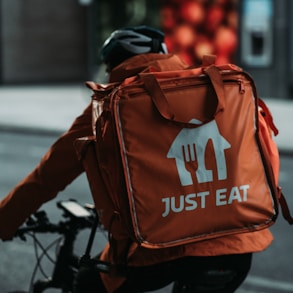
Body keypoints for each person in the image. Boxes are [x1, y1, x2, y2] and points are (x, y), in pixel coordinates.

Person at [0, 25, 276, 292]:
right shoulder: (216, 88)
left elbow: (47, 177)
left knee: (87, 282)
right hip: (238, 247)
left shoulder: (109, 106)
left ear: (114, 65)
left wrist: (6, 220)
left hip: (156, 253)